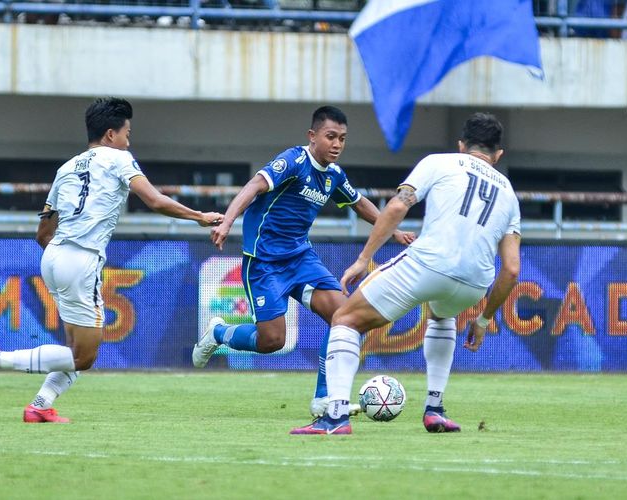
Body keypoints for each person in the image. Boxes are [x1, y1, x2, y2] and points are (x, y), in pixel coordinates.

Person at [0, 97, 224, 422]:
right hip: (80, 261)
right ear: (111, 134)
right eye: (127, 133)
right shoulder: (120, 159)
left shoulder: (66, 168)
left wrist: (62, 259)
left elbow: (43, 232)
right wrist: (198, 216)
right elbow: (154, 200)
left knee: (73, 349)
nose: (129, 140)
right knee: (84, 358)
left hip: (53, 256)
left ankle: (40, 406)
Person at [291, 112, 521, 435]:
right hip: (474, 284)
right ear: (498, 155)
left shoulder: (440, 163)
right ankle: (435, 408)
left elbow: (399, 206)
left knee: (345, 319)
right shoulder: (509, 193)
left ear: (461, 145)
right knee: (442, 316)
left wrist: (363, 259)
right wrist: (483, 320)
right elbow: (511, 269)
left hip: (429, 265)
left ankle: (336, 416)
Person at [194, 105, 415, 417]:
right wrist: (228, 221)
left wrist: (393, 230)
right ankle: (219, 333)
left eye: (342, 138)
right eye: (330, 137)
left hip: (301, 259)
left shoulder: (334, 175)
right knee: (272, 340)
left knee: (345, 316)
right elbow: (256, 185)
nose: (337, 144)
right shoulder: (294, 161)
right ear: (313, 136)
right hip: (265, 262)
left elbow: (359, 203)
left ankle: (324, 398)